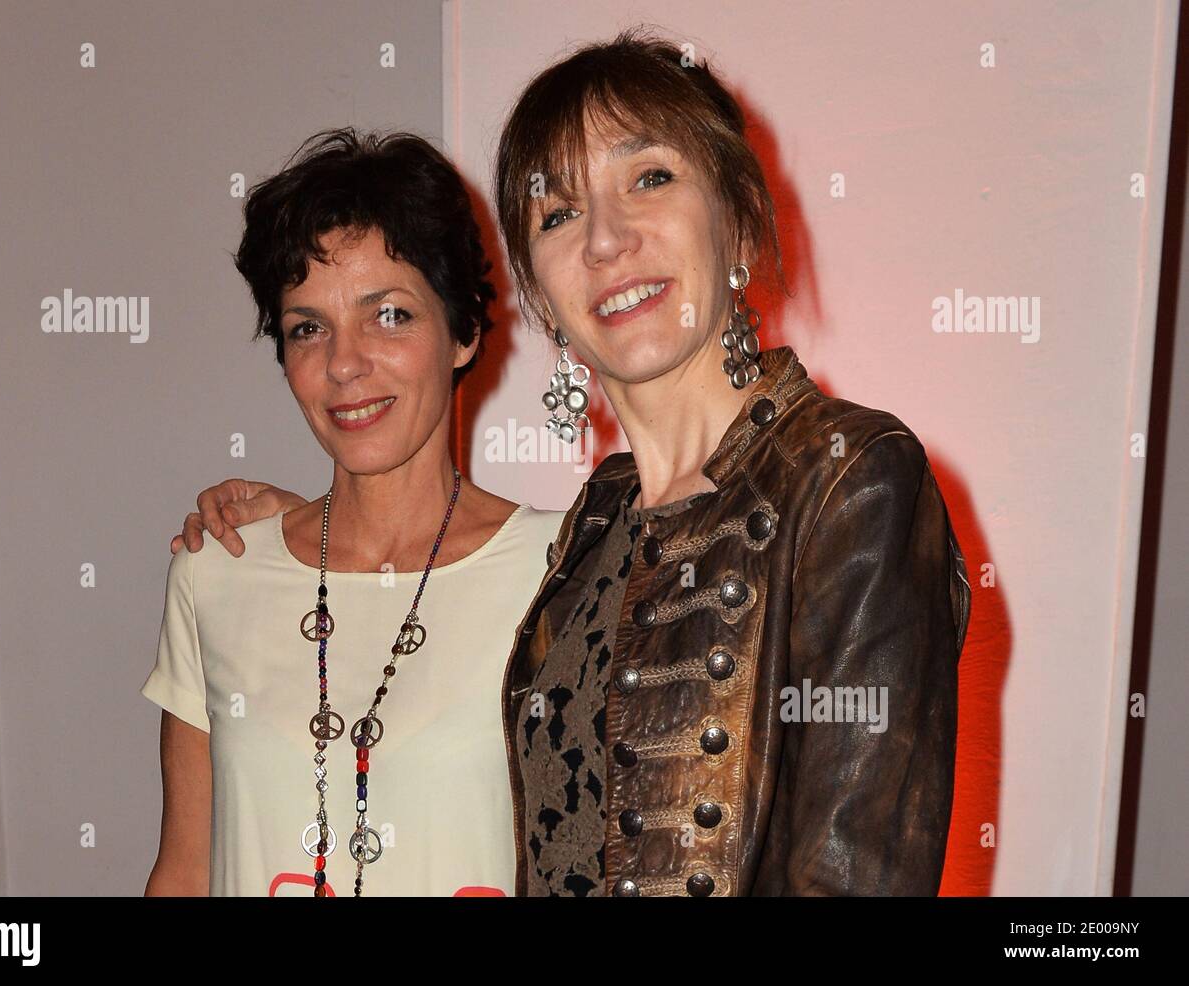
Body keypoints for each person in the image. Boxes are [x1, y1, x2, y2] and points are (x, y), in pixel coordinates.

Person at [177, 27, 972, 896]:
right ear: (542, 299)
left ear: (738, 216)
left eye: (650, 178)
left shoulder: (849, 478)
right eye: (557, 213)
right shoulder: (594, 529)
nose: (604, 240)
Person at [141, 128, 563, 896]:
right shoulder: (217, 573)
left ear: (463, 330)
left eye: (390, 315)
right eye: (309, 328)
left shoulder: (561, 576)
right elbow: (183, 872)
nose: (344, 362)